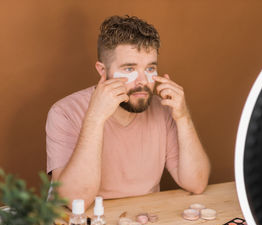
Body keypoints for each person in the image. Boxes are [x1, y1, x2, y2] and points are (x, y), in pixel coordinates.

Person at [46, 15, 210, 209]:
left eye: (150, 68)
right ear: (102, 70)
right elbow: (75, 201)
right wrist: (95, 119)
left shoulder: (162, 109)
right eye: (130, 68)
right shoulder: (64, 112)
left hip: (143, 224)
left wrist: (183, 117)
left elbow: (196, 183)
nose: (142, 80)